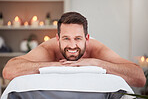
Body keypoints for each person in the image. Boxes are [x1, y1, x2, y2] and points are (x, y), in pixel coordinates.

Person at [2, 12, 146, 87]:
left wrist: (97, 63)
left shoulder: (96, 50)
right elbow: (9, 71)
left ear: (87, 38)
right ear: (57, 39)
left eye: (78, 38)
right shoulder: (48, 49)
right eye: (66, 38)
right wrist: (54, 64)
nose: (72, 45)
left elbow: (139, 78)